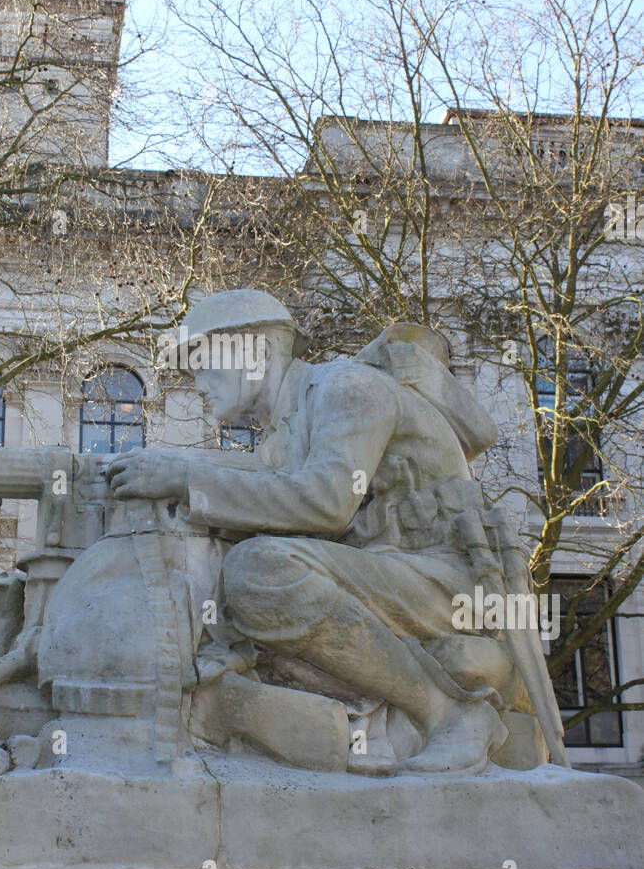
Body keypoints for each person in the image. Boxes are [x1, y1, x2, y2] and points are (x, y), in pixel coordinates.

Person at [104, 289, 567, 774]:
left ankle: (449, 714)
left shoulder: (346, 388)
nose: (197, 383)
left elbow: (326, 503)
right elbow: (271, 491)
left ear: (256, 352)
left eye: (202, 363)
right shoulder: (284, 432)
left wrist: (184, 479)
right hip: (391, 572)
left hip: (443, 579)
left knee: (260, 569)